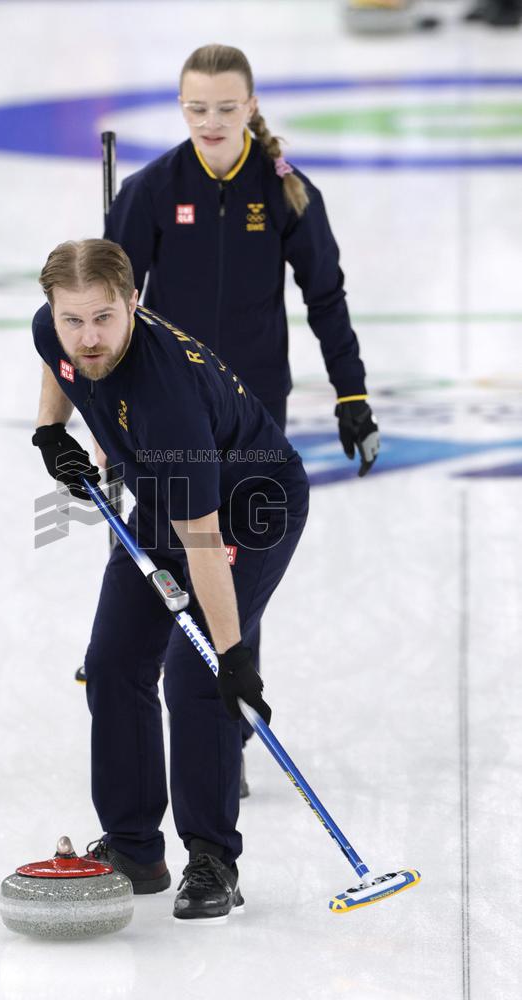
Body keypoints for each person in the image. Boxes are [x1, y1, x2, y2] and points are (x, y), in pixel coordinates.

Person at [95, 44, 380, 776]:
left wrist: (350, 393)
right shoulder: (153, 190)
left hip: (253, 420)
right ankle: (138, 667)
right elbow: (108, 308)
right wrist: (102, 417)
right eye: (196, 109)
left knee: (232, 563)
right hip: (165, 413)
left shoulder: (285, 192)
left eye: (226, 107)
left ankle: (224, 723)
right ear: (180, 108)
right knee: (170, 553)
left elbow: (325, 296)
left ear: (251, 106)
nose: (211, 121)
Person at [32, 238, 309, 920]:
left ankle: (212, 857)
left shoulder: (167, 399)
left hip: (248, 508)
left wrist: (234, 658)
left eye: (103, 317)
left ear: (134, 302)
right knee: (114, 661)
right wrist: (50, 431)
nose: (87, 337)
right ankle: (133, 848)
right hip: (166, 497)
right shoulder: (56, 329)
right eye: (73, 320)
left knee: (197, 673)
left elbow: (204, 543)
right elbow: (58, 362)